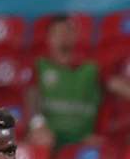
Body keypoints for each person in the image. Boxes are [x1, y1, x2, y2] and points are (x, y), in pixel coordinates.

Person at [27, 15, 102, 149]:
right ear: (49, 38)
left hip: (83, 139)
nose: (62, 36)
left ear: (75, 36)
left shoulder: (92, 69)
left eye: (67, 31)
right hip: (50, 138)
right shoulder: (40, 67)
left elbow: (117, 89)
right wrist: (37, 125)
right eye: (57, 32)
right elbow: (31, 96)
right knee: (38, 142)